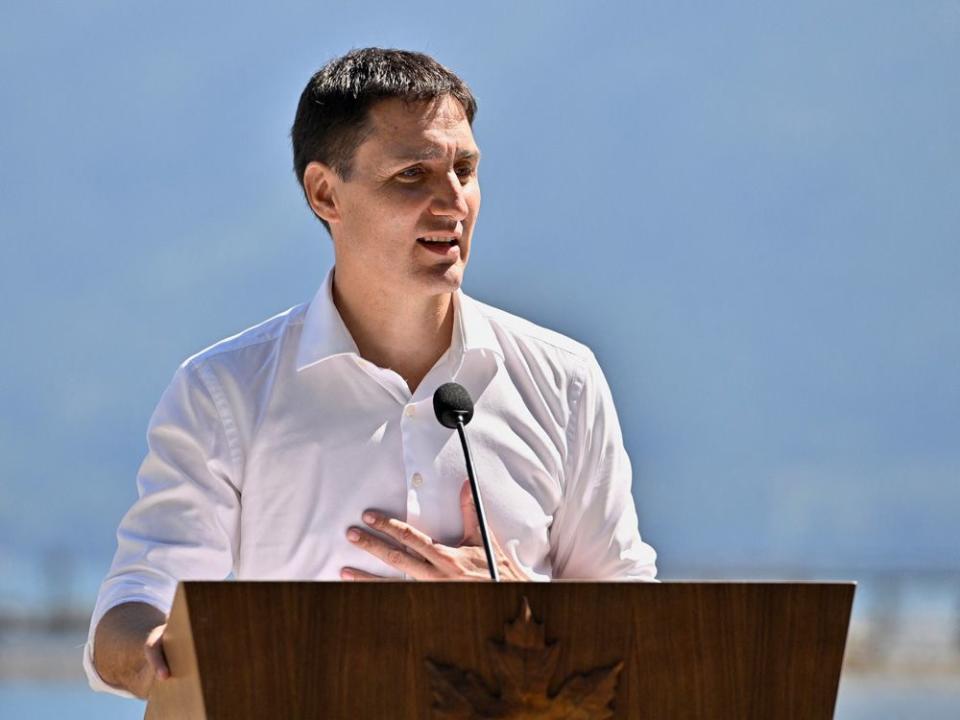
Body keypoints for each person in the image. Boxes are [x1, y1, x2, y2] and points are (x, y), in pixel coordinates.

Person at [84, 47, 657, 699]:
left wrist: (515, 602)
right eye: (413, 176)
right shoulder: (223, 393)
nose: (453, 203)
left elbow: (633, 620)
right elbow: (128, 617)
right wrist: (165, 652)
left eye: (464, 170)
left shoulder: (565, 380)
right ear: (326, 192)